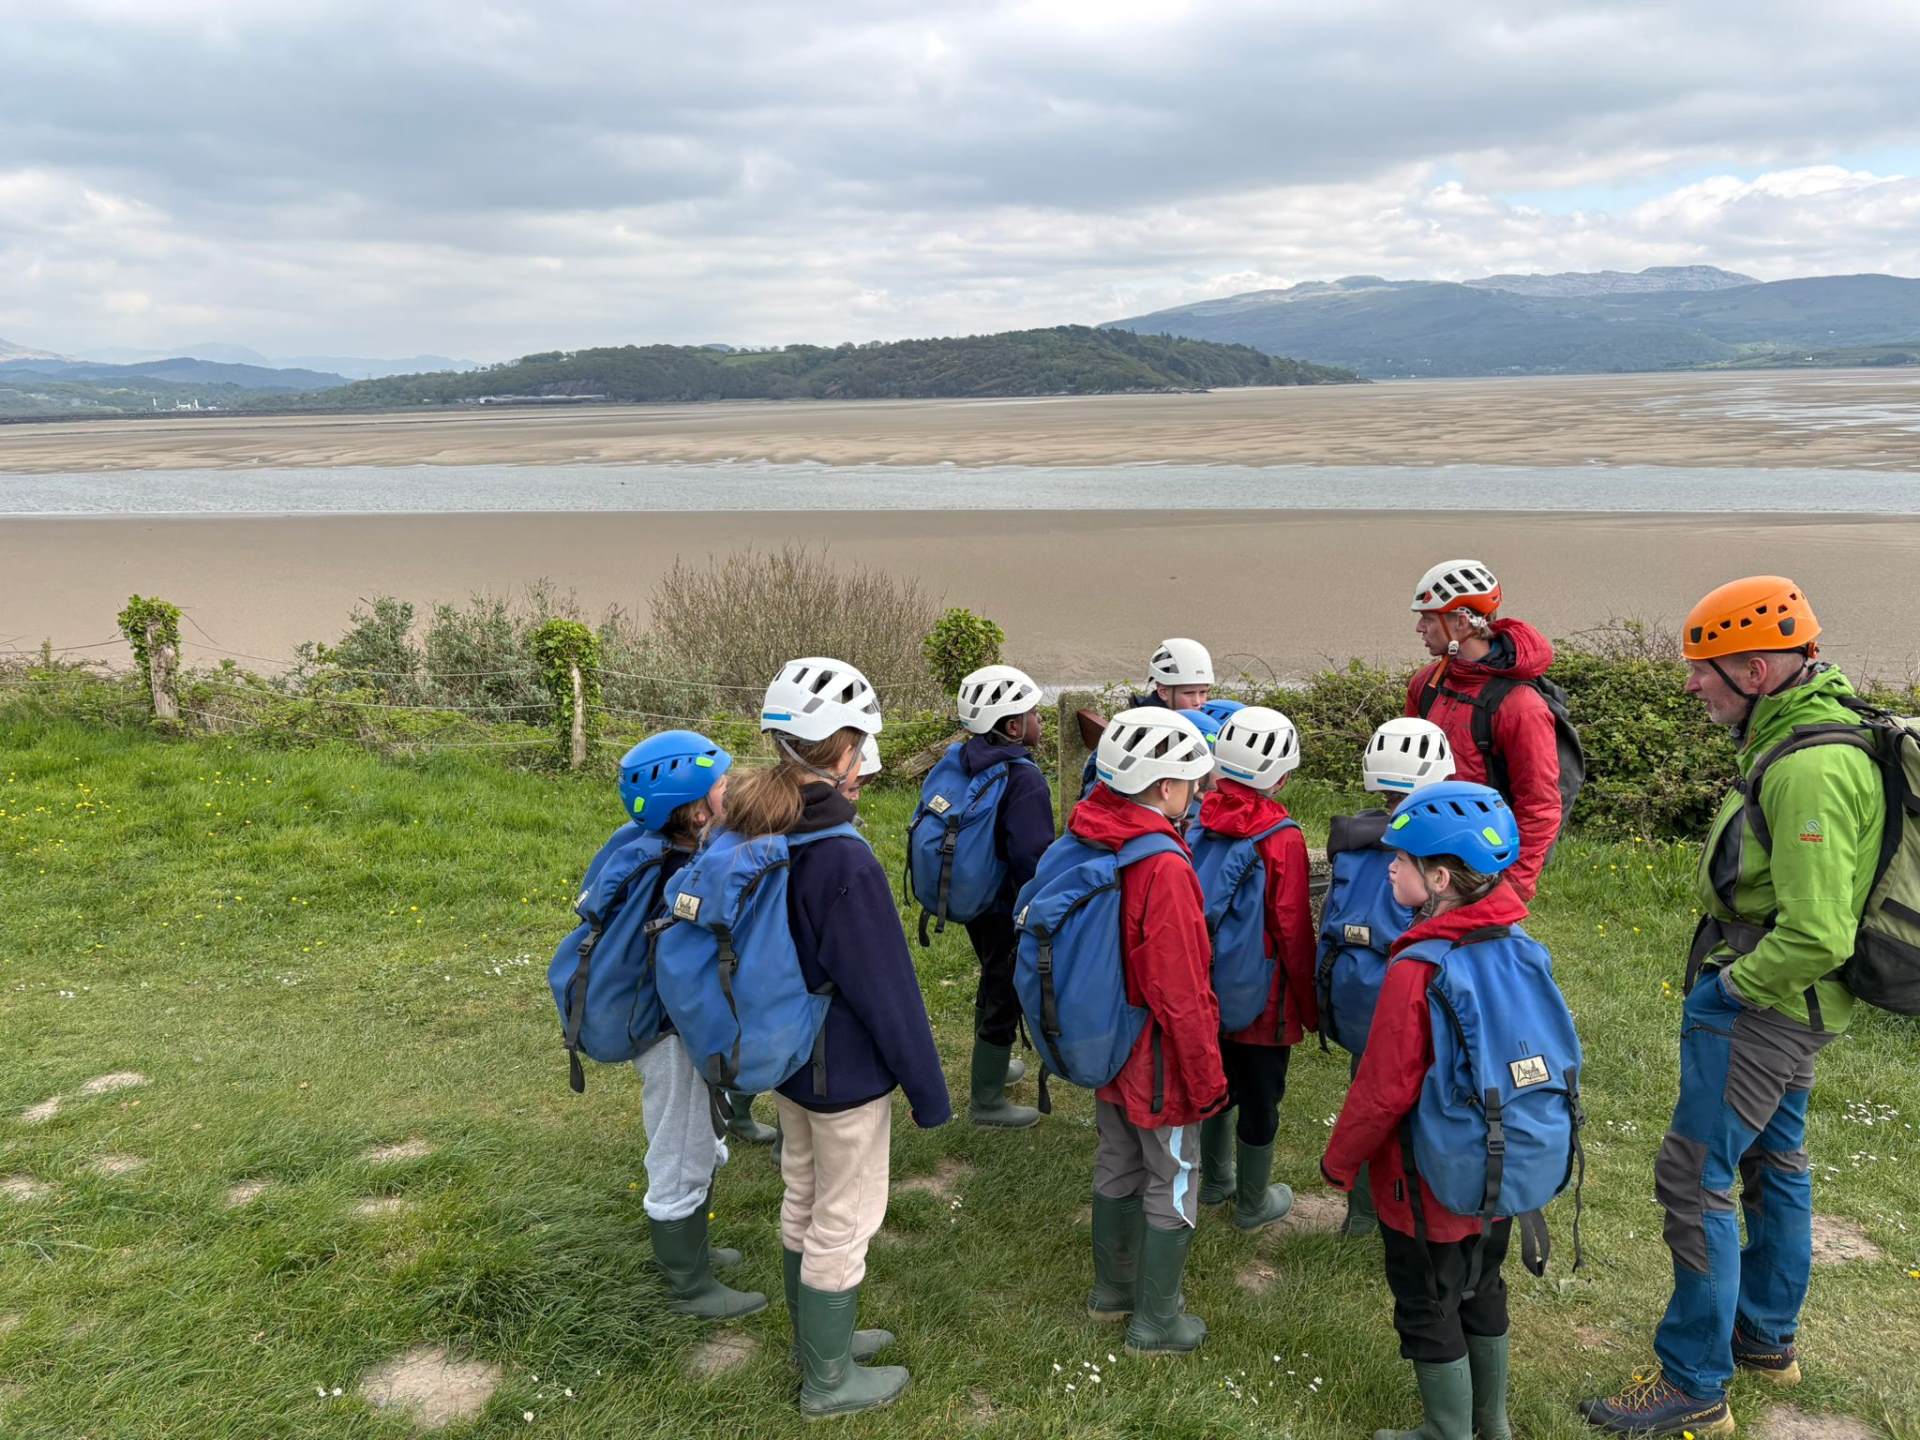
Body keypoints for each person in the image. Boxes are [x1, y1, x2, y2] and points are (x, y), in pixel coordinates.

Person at [1581, 579, 1881, 1439]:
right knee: (1776, 1163)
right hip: (1798, 1005)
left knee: (1695, 1177)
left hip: (1768, 1003)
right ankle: (1764, 1340)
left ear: (1755, 671)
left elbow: (1818, 932)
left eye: (1702, 670)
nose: (1689, 685)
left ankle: (1693, 1385)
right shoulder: (1806, 733)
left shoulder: (1810, 767)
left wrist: (1730, 990)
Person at [729, 656, 952, 1419]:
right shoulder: (842, 855)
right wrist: (928, 1091)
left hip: (789, 1059)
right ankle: (828, 1381)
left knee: (803, 1194)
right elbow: (887, 990)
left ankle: (815, 1340)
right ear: (845, 749)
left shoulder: (763, 824)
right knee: (844, 1218)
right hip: (845, 1073)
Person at [1321, 781, 1539, 1440]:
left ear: (1440, 879)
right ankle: (1491, 1424)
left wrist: (1340, 1162)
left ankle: (1447, 1431)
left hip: (1428, 1179)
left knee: (1427, 1300)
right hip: (1502, 1167)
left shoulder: (1417, 968)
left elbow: (1383, 1087)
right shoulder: (1520, 942)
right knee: (1482, 1284)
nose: (1389, 867)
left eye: (1401, 858)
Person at [1074, 708, 1229, 1355]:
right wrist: (1206, 1077)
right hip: (1156, 1053)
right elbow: (1181, 988)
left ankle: (1112, 1292)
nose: (1195, 792)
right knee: (1175, 1173)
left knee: (1117, 1157)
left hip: (1104, 1037)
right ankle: (1156, 1322)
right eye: (1191, 781)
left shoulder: (1090, 829)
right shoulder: (1163, 865)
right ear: (1166, 787)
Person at [606, 731, 765, 1320]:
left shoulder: (663, 851)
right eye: (722, 786)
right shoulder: (680, 874)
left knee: (701, 1135)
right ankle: (687, 1284)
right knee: (681, 1145)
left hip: (676, 1024)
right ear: (698, 812)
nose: (731, 790)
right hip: (670, 1034)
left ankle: (691, 1247)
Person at [1316, 717, 1457, 1238]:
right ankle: (1407, 1208)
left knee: (1368, 1093)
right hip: (1414, 992)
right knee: (1419, 1102)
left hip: (1360, 989)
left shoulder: (1352, 837)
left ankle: (1359, 1215)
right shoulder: (1442, 846)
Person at [1191, 706, 1317, 1231]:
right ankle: (1252, 1202)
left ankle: (1214, 1180)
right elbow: (1292, 927)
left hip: (1207, 982)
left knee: (1217, 1080)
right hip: (1264, 998)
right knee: (1262, 1097)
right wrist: (1311, 1004)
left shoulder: (1200, 815)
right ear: (1281, 778)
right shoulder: (1281, 837)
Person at [1404, 559, 1564, 901]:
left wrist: (1512, 889)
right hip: (1424, 854)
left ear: (1461, 622)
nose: (1419, 627)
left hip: (1482, 869)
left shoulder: (1520, 706)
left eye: (1428, 618)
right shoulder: (1426, 684)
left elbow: (1540, 806)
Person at [952, 664, 1054, 1129]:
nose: (1039, 720)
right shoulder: (1023, 778)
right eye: (1033, 713)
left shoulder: (965, 757)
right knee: (1004, 988)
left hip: (974, 896)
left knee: (992, 973)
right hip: (1006, 904)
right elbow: (1033, 857)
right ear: (1013, 727)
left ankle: (990, 1065)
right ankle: (987, 1101)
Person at [1080, 637, 1215, 796]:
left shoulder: (1190, 724)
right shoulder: (1139, 734)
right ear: (1163, 692)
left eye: (1203, 692)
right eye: (1189, 693)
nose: (1198, 702)